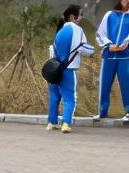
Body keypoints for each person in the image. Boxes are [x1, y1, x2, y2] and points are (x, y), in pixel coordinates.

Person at [47, 5, 95, 133]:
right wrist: (93, 49)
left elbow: (52, 51)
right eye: (81, 14)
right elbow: (85, 49)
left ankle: (52, 123)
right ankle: (66, 123)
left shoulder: (60, 31)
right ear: (73, 17)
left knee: (54, 97)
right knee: (69, 98)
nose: (81, 17)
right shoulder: (77, 30)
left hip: (54, 70)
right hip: (68, 70)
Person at [94, 0, 129, 120]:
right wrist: (109, 45)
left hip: (125, 57)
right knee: (104, 83)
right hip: (108, 55)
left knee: (127, 84)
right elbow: (100, 34)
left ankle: (128, 112)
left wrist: (124, 44)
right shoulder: (110, 15)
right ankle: (102, 112)